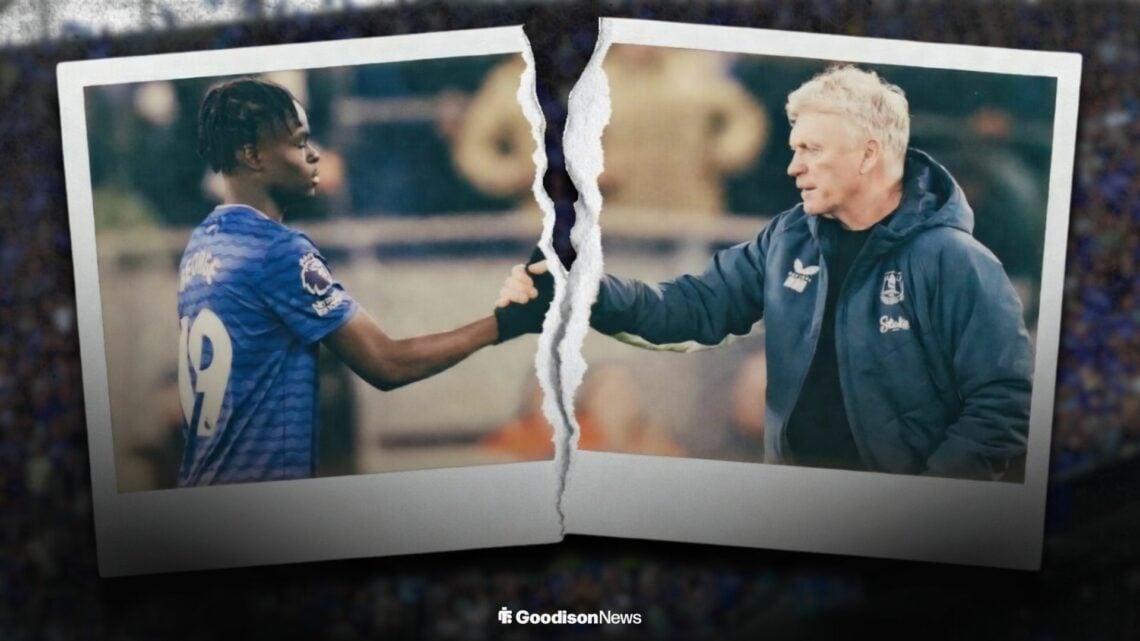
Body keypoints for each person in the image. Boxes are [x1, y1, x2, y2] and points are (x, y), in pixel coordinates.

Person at [502, 65, 1034, 480]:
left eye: (811, 150)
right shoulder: (787, 239)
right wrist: (583, 288)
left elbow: (1003, 403)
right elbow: (690, 308)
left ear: (869, 154)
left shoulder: (956, 262)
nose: (793, 167)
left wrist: (922, 502)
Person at [178, 77, 549, 486]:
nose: (314, 154)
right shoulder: (276, 250)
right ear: (253, 156)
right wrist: (506, 322)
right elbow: (387, 364)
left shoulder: (204, 240)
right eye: (299, 143)